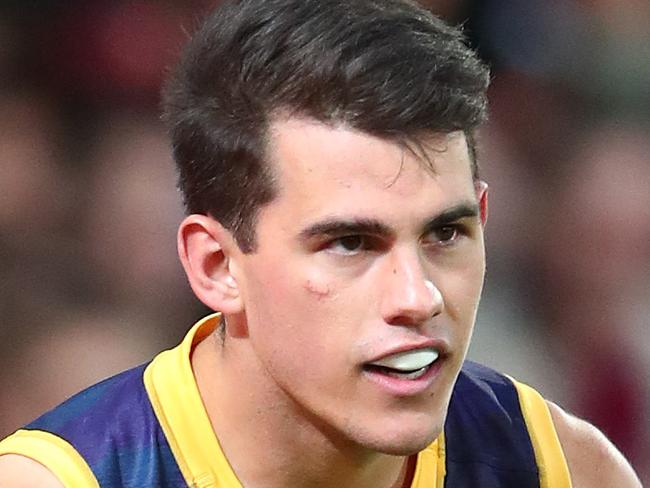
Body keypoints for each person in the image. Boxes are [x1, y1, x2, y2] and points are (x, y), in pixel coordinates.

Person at [0, 0, 642, 486]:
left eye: (445, 233)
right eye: (351, 243)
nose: (417, 297)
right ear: (216, 265)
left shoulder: (566, 470)